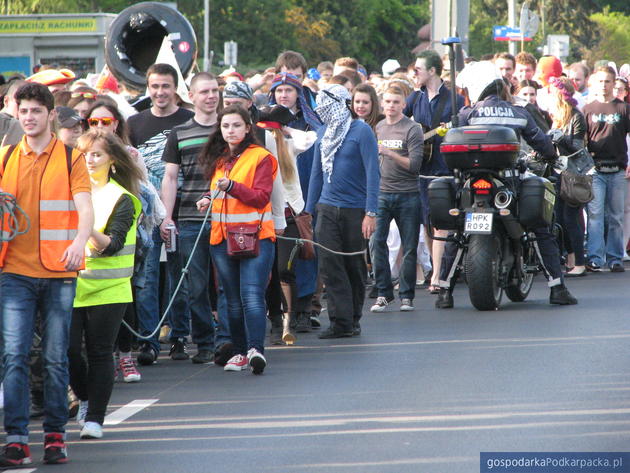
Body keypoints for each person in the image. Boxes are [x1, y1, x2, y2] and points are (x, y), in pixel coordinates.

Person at [0, 82, 93, 466]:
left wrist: (79, 242)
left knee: (56, 358)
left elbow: (85, 209)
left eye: (36, 111)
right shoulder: (5, 157)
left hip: (59, 271)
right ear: (16, 115)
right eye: (23, 112)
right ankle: (18, 437)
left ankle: (56, 435)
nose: (29, 117)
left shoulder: (71, 157)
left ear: (51, 115)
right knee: (13, 356)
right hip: (14, 272)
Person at [435, 61, 577, 308]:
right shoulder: (519, 112)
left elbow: (448, 144)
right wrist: (552, 157)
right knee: (540, 227)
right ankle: (557, 288)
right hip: (510, 180)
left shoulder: (466, 114)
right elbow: (542, 144)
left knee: (458, 232)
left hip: (471, 181)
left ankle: (444, 292)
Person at [69, 130, 143, 440]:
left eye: (97, 154)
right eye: (84, 154)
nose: (89, 160)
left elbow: (111, 245)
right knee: (69, 352)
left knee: (100, 353)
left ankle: (95, 419)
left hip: (110, 289)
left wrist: (84, 228)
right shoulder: (67, 192)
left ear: (112, 159)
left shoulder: (122, 198)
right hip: (72, 285)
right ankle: (86, 397)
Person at [196, 105, 277, 374]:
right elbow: (220, 194)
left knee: (251, 295)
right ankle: (240, 352)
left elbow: (261, 197)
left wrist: (231, 186)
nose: (230, 130)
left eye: (236, 125)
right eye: (225, 126)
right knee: (231, 299)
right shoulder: (220, 160)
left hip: (256, 237)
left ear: (247, 128)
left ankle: (256, 350)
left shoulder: (261, 157)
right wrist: (207, 199)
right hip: (222, 238)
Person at [127, 63, 193, 365]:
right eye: (154, 86)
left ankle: (180, 336)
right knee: (148, 279)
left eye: (165, 86)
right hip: (148, 216)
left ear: (175, 87)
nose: (160, 92)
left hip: (185, 211)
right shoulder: (134, 123)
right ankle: (149, 339)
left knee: (181, 277)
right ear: (148, 88)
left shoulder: (188, 120)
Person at [306, 84, 380, 338]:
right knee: (329, 264)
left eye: (325, 106)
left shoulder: (361, 131)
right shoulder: (323, 133)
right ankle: (340, 322)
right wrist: (308, 211)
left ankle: (353, 318)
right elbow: (317, 174)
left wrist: (371, 212)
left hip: (355, 210)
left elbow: (373, 172)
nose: (321, 111)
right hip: (326, 209)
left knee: (353, 266)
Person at [160, 72, 219, 364]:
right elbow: (170, 177)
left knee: (228, 284)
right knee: (195, 285)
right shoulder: (179, 133)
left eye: (215, 90)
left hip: (228, 217)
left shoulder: (230, 127)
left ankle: (231, 340)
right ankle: (205, 341)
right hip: (189, 218)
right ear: (192, 97)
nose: (211, 96)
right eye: (204, 91)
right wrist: (166, 217)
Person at [404, 49, 464, 294]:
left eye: (417, 69)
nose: (414, 73)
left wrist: (448, 131)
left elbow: (462, 129)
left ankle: (438, 274)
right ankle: (436, 268)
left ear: (431, 71)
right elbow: (399, 122)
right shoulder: (415, 98)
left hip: (444, 168)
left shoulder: (454, 100)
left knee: (441, 223)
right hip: (422, 169)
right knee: (427, 225)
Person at [370, 85, 423, 313]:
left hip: (408, 194)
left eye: (395, 102)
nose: (391, 106)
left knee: (409, 247)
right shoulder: (378, 127)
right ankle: (383, 293)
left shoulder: (412, 128)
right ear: (382, 104)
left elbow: (414, 165)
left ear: (403, 105)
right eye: (388, 102)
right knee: (376, 243)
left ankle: (406, 296)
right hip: (381, 193)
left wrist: (390, 153)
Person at [583, 66, 630, 273]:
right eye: (600, 81)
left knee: (616, 216)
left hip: (618, 169)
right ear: (594, 83)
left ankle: (615, 257)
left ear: (614, 84)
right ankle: (595, 257)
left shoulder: (623, 109)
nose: (604, 85)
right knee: (595, 215)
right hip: (595, 170)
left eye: (608, 81)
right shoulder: (587, 109)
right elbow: (581, 141)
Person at [546, 76, 589, 277]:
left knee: (571, 219)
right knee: (561, 219)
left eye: (552, 92)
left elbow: (578, 149)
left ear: (560, 95)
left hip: (576, 173)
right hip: (560, 173)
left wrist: (560, 137)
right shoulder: (557, 117)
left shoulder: (576, 117)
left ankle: (580, 262)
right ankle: (571, 258)